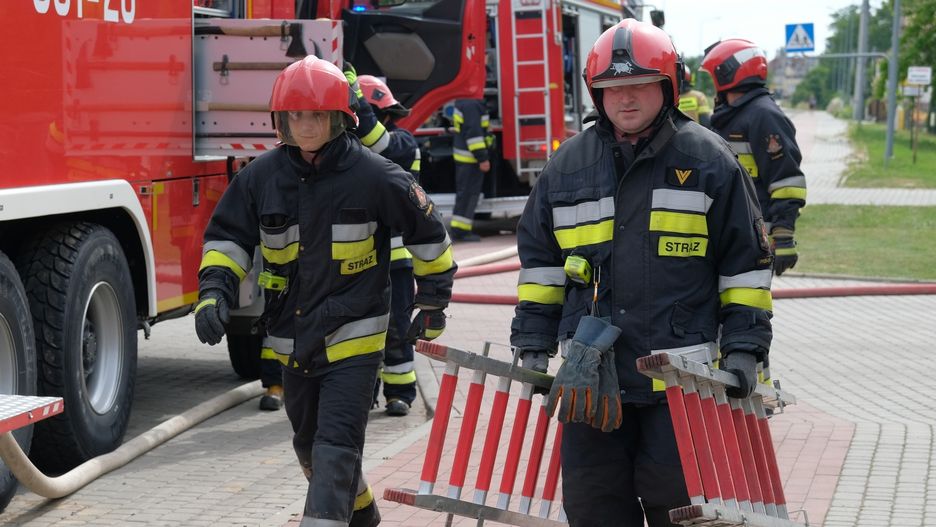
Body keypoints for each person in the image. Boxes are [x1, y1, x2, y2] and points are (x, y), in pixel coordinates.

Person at [510, 19, 773, 526]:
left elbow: (746, 268)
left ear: (667, 87)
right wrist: (534, 344)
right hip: (590, 381)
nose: (624, 100)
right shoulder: (566, 167)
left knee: (680, 510)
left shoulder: (709, 161)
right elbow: (540, 265)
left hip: (681, 384)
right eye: (612, 89)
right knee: (593, 509)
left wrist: (743, 350)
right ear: (595, 94)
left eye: (638, 86)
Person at [193, 55, 456, 527]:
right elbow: (228, 239)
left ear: (339, 117)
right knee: (310, 449)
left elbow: (431, 237)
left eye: (315, 114)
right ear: (281, 120)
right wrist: (215, 293)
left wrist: (433, 301)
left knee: (336, 448)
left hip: (354, 342)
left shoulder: (377, 176)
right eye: (295, 115)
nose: (306, 124)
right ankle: (364, 518)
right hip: (292, 340)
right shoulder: (260, 177)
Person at [348, 68, 422, 416]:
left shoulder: (404, 142)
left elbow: (380, 144)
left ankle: (401, 392)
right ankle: (365, 394)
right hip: (357, 259)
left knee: (396, 326)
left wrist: (358, 103)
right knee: (360, 330)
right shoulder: (347, 154)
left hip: (395, 260)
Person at [700, 39, 807, 276]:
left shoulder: (764, 116)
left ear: (727, 74)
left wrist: (784, 235)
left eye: (713, 77)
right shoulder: (732, 116)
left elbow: (787, 181)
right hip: (729, 231)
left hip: (754, 236)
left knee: (747, 308)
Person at [449, 98, 493, 242]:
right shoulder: (472, 105)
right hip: (471, 159)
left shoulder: (465, 103)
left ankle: (461, 230)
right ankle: (460, 232)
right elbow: (474, 134)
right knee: (468, 195)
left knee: (466, 194)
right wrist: (482, 158)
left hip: (467, 158)